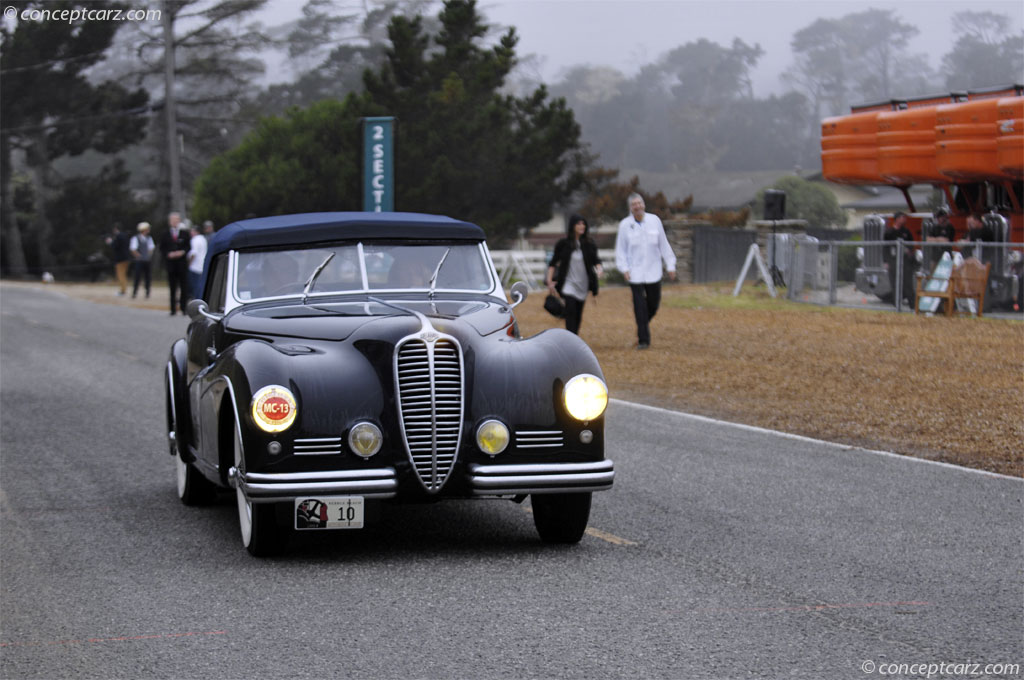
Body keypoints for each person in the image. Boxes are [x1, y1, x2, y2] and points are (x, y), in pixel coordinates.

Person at [614, 193, 677, 349]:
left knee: (653, 304)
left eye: (640, 203)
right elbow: (620, 250)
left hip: (653, 272)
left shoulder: (654, 221)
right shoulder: (624, 225)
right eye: (634, 204)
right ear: (630, 208)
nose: (638, 206)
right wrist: (624, 268)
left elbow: (663, 244)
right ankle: (643, 340)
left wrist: (670, 264)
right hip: (635, 273)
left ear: (644, 205)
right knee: (639, 306)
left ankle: (642, 325)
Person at [545, 214, 603, 335]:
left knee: (577, 314)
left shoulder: (589, 244)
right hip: (568, 284)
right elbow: (553, 263)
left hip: (583, 285)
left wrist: (599, 269)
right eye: (579, 223)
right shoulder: (563, 244)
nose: (582, 226)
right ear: (572, 226)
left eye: (583, 223)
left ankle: (574, 337)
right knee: (570, 311)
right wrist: (549, 281)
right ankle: (570, 338)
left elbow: (596, 260)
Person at [160, 212, 191, 315]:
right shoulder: (165, 234)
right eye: (173, 220)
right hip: (171, 265)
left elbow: (188, 247)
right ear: (170, 222)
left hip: (181, 264)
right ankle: (173, 309)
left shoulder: (184, 233)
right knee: (172, 287)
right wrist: (168, 254)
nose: (175, 221)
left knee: (184, 287)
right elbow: (162, 248)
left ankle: (183, 308)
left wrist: (182, 252)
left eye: (177, 219)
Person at [883, 211, 916, 307]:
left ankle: (912, 304)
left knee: (908, 283)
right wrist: (886, 261)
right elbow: (885, 248)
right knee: (895, 283)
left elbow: (911, 244)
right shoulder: (889, 232)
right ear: (897, 219)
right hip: (893, 260)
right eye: (902, 217)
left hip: (905, 261)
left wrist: (909, 251)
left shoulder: (906, 232)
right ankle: (896, 304)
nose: (904, 219)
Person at [129, 222, 155, 299]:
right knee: (137, 276)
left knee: (148, 277)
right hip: (139, 261)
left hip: (146, 260)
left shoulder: (149, 238)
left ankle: (147, 291)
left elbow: (151, 248)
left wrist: (147, 255)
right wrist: (139, 256)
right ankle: (135, 292)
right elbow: (133, 249)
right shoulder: (136, 238)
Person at [105, 224, 132, 296]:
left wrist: (110, 242)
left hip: (120, 259)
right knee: (124, 275)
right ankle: (124, 289)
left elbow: (115, 246)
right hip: (127, 257)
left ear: (115, 229)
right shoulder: (126, 236)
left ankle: (122, 291)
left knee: (120, 275)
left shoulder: (118, 236)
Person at [188, 222, 208, 301]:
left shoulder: (195, 240)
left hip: (195, 265)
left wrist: (189, 263)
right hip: (202, 264)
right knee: (199, 283)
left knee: (195, 285)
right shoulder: (203, 239)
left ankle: (196, 299)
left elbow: (194, 253)